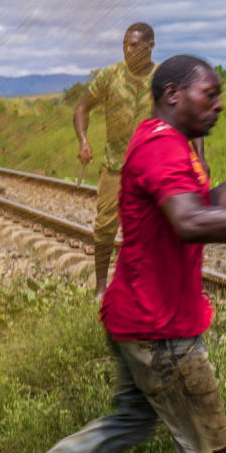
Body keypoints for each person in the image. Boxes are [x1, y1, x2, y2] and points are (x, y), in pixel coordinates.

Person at [29, 55, 226, 453]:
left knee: (132, 421)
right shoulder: (162, 146)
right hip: (161, 332)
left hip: (135, 315)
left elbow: (203, 206)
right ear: (173, 95)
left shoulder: (165, 140)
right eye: (209, 94)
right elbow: (192, 223)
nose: (220, 105)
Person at [73, 22, 156, 298]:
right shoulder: (110, 76)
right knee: (105, 226)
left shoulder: (162, 77)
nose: (127, 50)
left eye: (134, 45)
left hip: (150, 168)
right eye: (124, 45)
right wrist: (84, 140)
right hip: (114, 166)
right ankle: (100, 287)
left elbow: (186, 114)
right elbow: (83, 107)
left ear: (150, 46)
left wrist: (198, 156)